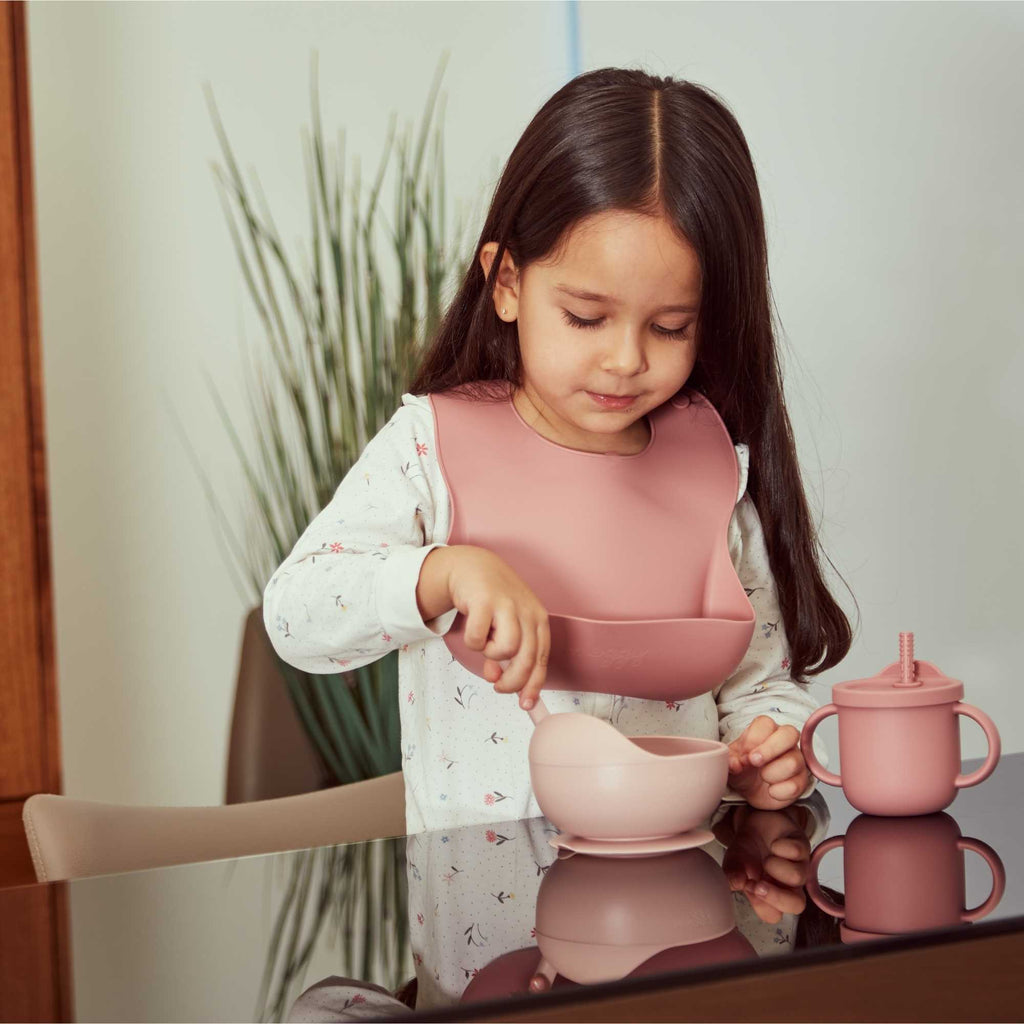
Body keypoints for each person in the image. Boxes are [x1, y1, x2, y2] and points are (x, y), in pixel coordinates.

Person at [263, 67, 855, 835]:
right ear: (507, 282)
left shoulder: (712, 471)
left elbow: (757, 682)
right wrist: (442, 573)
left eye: (669, 326)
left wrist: (767, 748)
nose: (625, 360)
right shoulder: (429, 449)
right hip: (485, 918)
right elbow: (297, 613)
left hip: (684, 909)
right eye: (585, 317)